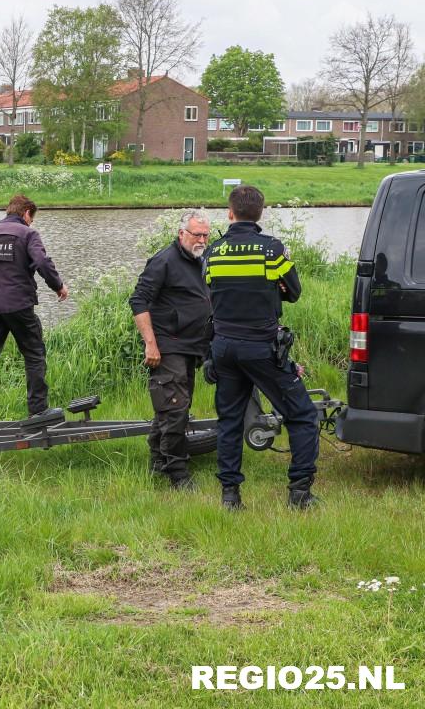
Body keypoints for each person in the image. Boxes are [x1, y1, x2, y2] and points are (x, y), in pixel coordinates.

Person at [205, 185, 320, 510]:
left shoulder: (214, 251)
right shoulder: (271, 250)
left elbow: (212, 289)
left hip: (224, 348)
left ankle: (230, 497)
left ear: (230, 213)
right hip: (261, 347)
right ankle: (300, 494)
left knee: (229, 420)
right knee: (302, 415)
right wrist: (270, 289)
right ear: (260, 213)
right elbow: (293, 292)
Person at [0, 194, 68, 441]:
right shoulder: (27, 234)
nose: (31, 223)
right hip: (19, 307)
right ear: (26, 214)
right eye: (31, 219)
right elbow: (42, 261)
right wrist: (58, 286)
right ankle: (38, 412)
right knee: (34, 354)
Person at [128, 210, 214, 489]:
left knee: (171, 407)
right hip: (168, 345)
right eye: (196, 234)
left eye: (205, 234)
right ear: (181, 234)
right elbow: (138, 300)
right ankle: (178, 473)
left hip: (193, 346)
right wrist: (150, 344)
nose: (201, 240)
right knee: (176, 409)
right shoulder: (164, 260)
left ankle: (157, 461)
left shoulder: (204, 259)